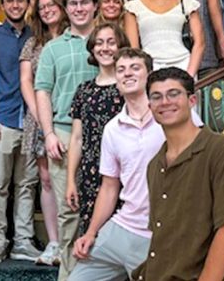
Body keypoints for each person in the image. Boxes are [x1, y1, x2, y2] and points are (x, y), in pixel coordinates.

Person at [130, 67, 224, 281]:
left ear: (192, 100)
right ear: (150, 107)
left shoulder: (222, 152)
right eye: (156, 97)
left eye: (174, 94)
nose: (165, 102)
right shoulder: (154, 165)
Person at [69, 48, 160, 281]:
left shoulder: (170, 116)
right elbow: (109, 187)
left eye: (135, 68)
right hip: (120, 228)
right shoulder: (112, 129)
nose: (127, 74)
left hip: (158, 236)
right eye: (121, 69)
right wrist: (91, 233)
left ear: (150, 75)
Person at [35, 0, 100, 280]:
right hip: (62, 134)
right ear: (65, 9)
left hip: (105, 134)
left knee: (106, 205)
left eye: (84, 2)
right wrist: (48, 134)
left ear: (95, 6)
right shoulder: (52, 49)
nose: (79, 8)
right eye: (73, 3)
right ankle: (70, 275)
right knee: (69, 209)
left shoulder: (107, 42)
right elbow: (42, 92)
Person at [0, 0, 43, 263]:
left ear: (27, 4)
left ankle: (22, 241)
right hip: (3, 118)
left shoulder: (37, 37)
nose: (16, 5)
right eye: (11, 0)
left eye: (21, 0)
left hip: (32, 121)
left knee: (27, 184)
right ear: (3, 4)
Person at [66, 22, 129, 242]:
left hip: (125, 174)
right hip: (91, 175)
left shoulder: (129, 88)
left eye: (111, 42)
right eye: (100, 43)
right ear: (92, 48)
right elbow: (76, 139)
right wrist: (71, 180)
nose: (105, 48)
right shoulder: (84, 90)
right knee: (92, 240)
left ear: (121, 46)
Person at [19, 0, 68, 266]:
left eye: (52, 5)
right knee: (47, 180)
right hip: (39, 117)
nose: (47, 10)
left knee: (69, 179)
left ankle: (71, 239)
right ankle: (53, 242)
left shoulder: (76, 38)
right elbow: (26, 81)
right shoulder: (33, 43)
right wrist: (40, 115)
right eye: (42, 7)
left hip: (70, 118)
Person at [124, 0, 204, 77]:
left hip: (183, 64)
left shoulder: (187, 2)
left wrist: (190, 76)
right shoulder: (133, 7)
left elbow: (200, 43)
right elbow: (134, 49)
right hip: (150, 67)